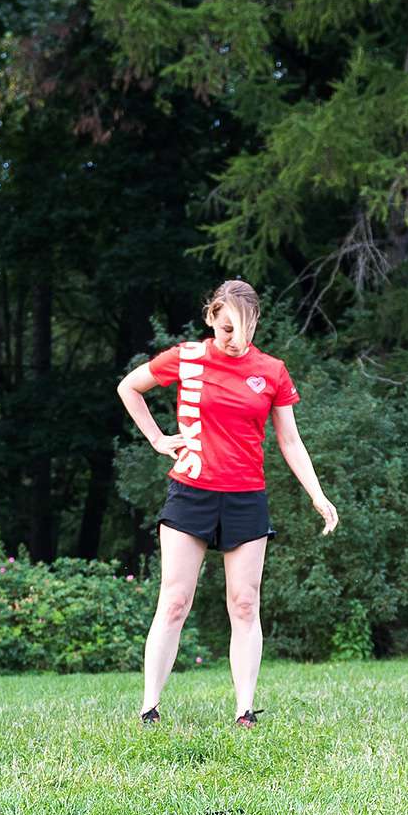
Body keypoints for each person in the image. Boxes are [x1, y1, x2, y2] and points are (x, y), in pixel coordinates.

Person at [117, 279, 339, 726]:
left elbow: (290, 441)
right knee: (175, 601)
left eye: (240, 329)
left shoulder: (272, 371)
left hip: (245, 498)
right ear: (210, 321)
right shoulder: (187, 357)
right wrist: (158, 439)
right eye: (223, 329)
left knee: (244, 603)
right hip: (191, 493)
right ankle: (149, 708)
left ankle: (244, 711)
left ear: (255, 322)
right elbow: (130, 387)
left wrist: (318, 494)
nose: (232, 339)